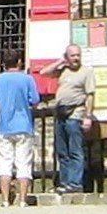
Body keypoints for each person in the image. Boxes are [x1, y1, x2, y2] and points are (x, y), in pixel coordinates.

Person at [0, 50, 40, 206]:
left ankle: (4, 200)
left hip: (3, 126)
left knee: (4, 164)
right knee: (24, 163)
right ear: (19, 62)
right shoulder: (28, 79)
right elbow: (35, 100)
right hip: (24, 125)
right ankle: (23, 199)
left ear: (3, 63)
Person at [44, 43, 95, 194]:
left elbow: (90, 95)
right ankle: (65, 182)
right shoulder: (63, 71)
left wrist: (88, 116)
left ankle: (75, 183)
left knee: (75, 150)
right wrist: (60, 62)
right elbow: (44, 72)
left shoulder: (86, 72)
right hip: (60, 112)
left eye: (78, 55)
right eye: (73, 55)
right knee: (62, 151)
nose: (76, 58)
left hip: (75, 112)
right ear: (67, 57)